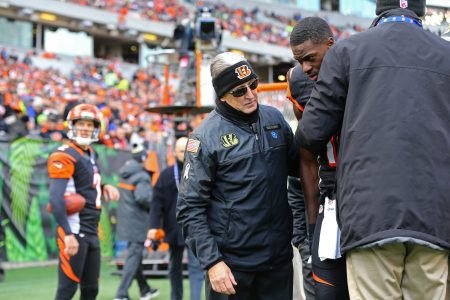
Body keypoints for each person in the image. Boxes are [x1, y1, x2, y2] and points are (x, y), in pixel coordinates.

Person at [296, 1, 450, 299]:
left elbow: (311, 132)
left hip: (370, 214)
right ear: (420, 12)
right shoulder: (446, 56)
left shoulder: (347, 51)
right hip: (435, 215)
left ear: (379, 11)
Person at [176, 52, 299, 300]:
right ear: (222, 94)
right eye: (239, 91)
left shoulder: (274, 119)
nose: (250, 94)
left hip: (278, 260)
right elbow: (190, 207)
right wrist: (213, 262)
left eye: (253, 85)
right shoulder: (203, 138)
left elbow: (300, 172)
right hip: (232, 266)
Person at [289, 17, 349, 300]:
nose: (306, 68)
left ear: (330, 45)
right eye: (300, 61)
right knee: (327, 292)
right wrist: (312, 227)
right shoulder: (299, 81)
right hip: (330, 197)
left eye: (310, 58)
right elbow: (308, 158)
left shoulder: (357, 66)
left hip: (363, 190)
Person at [47, 103, 120, 300]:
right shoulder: (63, 155)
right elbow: (55, 199)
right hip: (74, 230)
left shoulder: (90, 153)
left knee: (90, 290)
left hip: (91, 229)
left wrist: (104, 186)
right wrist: (68, 234)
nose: (85, 128)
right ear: (71, 125)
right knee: (67, 289)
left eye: (90, 125)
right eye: (81, 124)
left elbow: (85, 183)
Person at [148, 137, 204, 300]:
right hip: (173, 228)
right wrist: (154, 226)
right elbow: (156, 202)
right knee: (174, 268)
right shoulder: (166, 174)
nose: (185, 153)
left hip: (196, 227)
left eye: (188, 149)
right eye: (181, 150)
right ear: (174, 153)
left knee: (196, 267)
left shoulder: (201, 171)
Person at [114, 143, 159, 300]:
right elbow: (143, 198)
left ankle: (145, 290)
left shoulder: (126, 173)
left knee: (135, 256)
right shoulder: (142, 176)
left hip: (126, 220)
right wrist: (155, 203)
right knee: (133, 258)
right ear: (143, 158)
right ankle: (121, 294)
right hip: (138, 222)